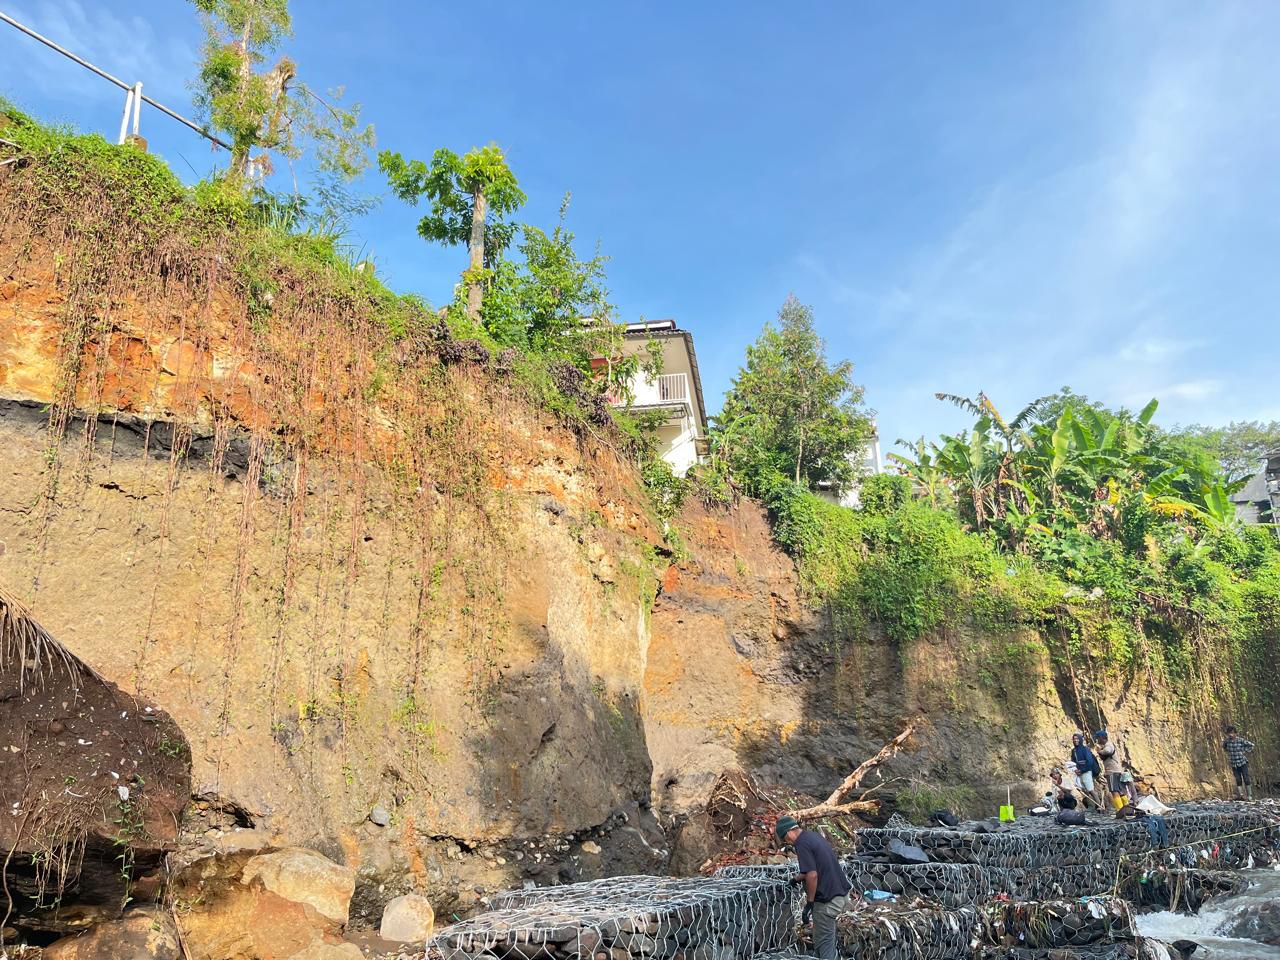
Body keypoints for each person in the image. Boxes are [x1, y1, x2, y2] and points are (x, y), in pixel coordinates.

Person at [776, 815, 851, 960]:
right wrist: (796, 879)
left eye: (785, 839)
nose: (788, 842)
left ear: (789, 832)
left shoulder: (801, 844)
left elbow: (812, 875)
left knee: (825, 944)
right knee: (825, 936)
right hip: (840, 893)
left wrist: (810, 903)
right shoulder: (812, 836)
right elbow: (814, 867)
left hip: (828, 901)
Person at [1094, 730, 1135, 805]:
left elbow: (1108, 751)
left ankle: (1120, 809)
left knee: (1114, 791)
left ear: (1102, 738)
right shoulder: (1107, 745)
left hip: (1112, 772)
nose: (1097, 740)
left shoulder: (1108, 745)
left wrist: (1100, 751)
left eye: (1097, 738)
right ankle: (1127, 807)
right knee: (1120, 791)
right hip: (1117, 771)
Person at [1070, 733, 1103, 809]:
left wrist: (1082, 770)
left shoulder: (1085, 749)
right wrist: (1075, 770)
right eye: (1074, 739)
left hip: (1086, 771)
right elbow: (1073, 762)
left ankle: (1099, 806)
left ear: (1080, 739)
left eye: (1077, 739)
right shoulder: (1073, 751)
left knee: (1090, 789)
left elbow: (1089, 762)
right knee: (1084, 790)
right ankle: (1092, 806)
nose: (1075, 740)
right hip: (1079, 772)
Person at [1223, 725, 1255, 800]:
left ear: (1235, 733)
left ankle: (1250, 795)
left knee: (1246, 778)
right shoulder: (1226, 742)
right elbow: (1224, 747)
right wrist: (1229, 752)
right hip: (1234, 763)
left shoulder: (1240, 740)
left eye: (1232, 733)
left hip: (1243, 762)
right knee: (1238, 779)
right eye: (1229, 733)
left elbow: (1251, 745)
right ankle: (1241, 795)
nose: (1231, 734)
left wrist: (1245, 750)